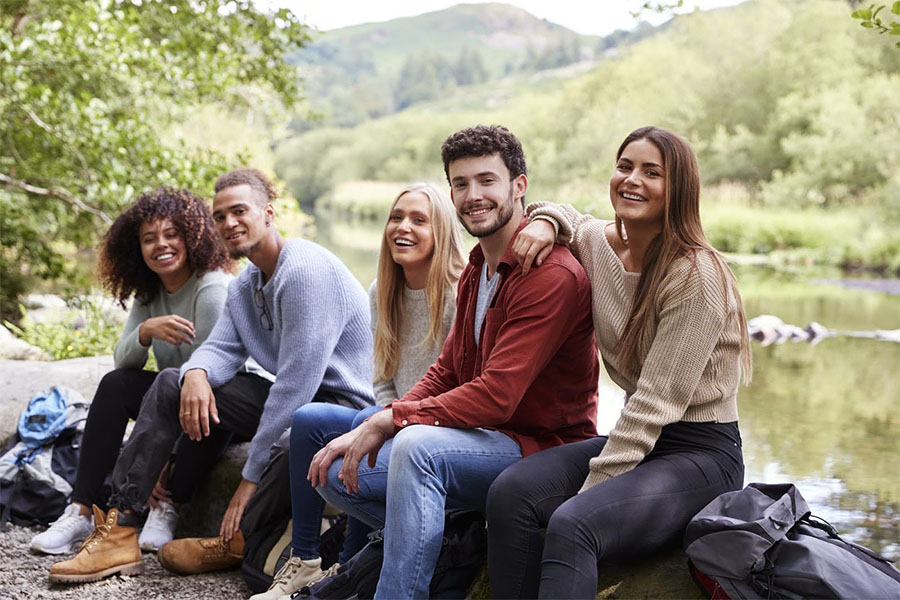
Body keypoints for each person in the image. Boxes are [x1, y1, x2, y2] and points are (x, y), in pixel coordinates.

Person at [310, 125, 600, 600]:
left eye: (487, 181)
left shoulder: (549, 274)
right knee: (339, 470)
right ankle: (458, 535)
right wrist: (374, 425)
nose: (473, 196)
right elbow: (446, 371)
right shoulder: (475, 269)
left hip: (542, 447)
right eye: (461, 184)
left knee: (418, 447)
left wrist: (393, 417)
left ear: (519, 186)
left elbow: (498, 396)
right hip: (485, 442)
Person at [48, 168, 375, 584]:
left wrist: (249, 477)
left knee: (297, 441)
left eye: (239, 211)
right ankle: (122, 529)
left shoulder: (304, 270)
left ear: (269, 213)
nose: (228, 223)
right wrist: (197, 372)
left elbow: (297, 385)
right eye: (219, 216)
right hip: (295, 400)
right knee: (171, 382)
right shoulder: (246, 285)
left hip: (342, 410)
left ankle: (236, 541)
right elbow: (218, 348)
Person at [488, 126, 752, 599]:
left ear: (679, 191)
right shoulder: (599, 244)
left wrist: (594, 491)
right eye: (625, 166)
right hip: (642, 442)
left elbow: (654, 403)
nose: (632, 180)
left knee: (574, 524)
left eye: (653, 172)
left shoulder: (697, 275)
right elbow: (570, 215)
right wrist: (547, 223)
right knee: (511, 493)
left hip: (700, 453)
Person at [251, 182, 466, 599]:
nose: (403, 227)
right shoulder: (381, 291)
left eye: (419, 220)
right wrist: (385, 419)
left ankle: (349, 568)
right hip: (394, 417)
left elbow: (457, 385)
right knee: (307, 421)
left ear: (441, 230)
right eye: (396, 217)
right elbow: (382, 378)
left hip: (436, 432)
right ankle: (307, 559)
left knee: (358, 449)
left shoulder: (459, 293)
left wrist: (392, 425)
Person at [30, 186, 242, 555]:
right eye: (149, 239)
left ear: (192, 237)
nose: (161, 244)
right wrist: (145, 332)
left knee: (175, 381)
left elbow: (213, 376)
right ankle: (80, 510)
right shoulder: (149, 294)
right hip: (172, 396)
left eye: (171, 234)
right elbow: (123, 364)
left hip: (222, 397)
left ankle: (167, 504)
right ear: (136, 249)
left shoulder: (211, 289)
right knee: (116, 385)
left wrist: (166, 458)